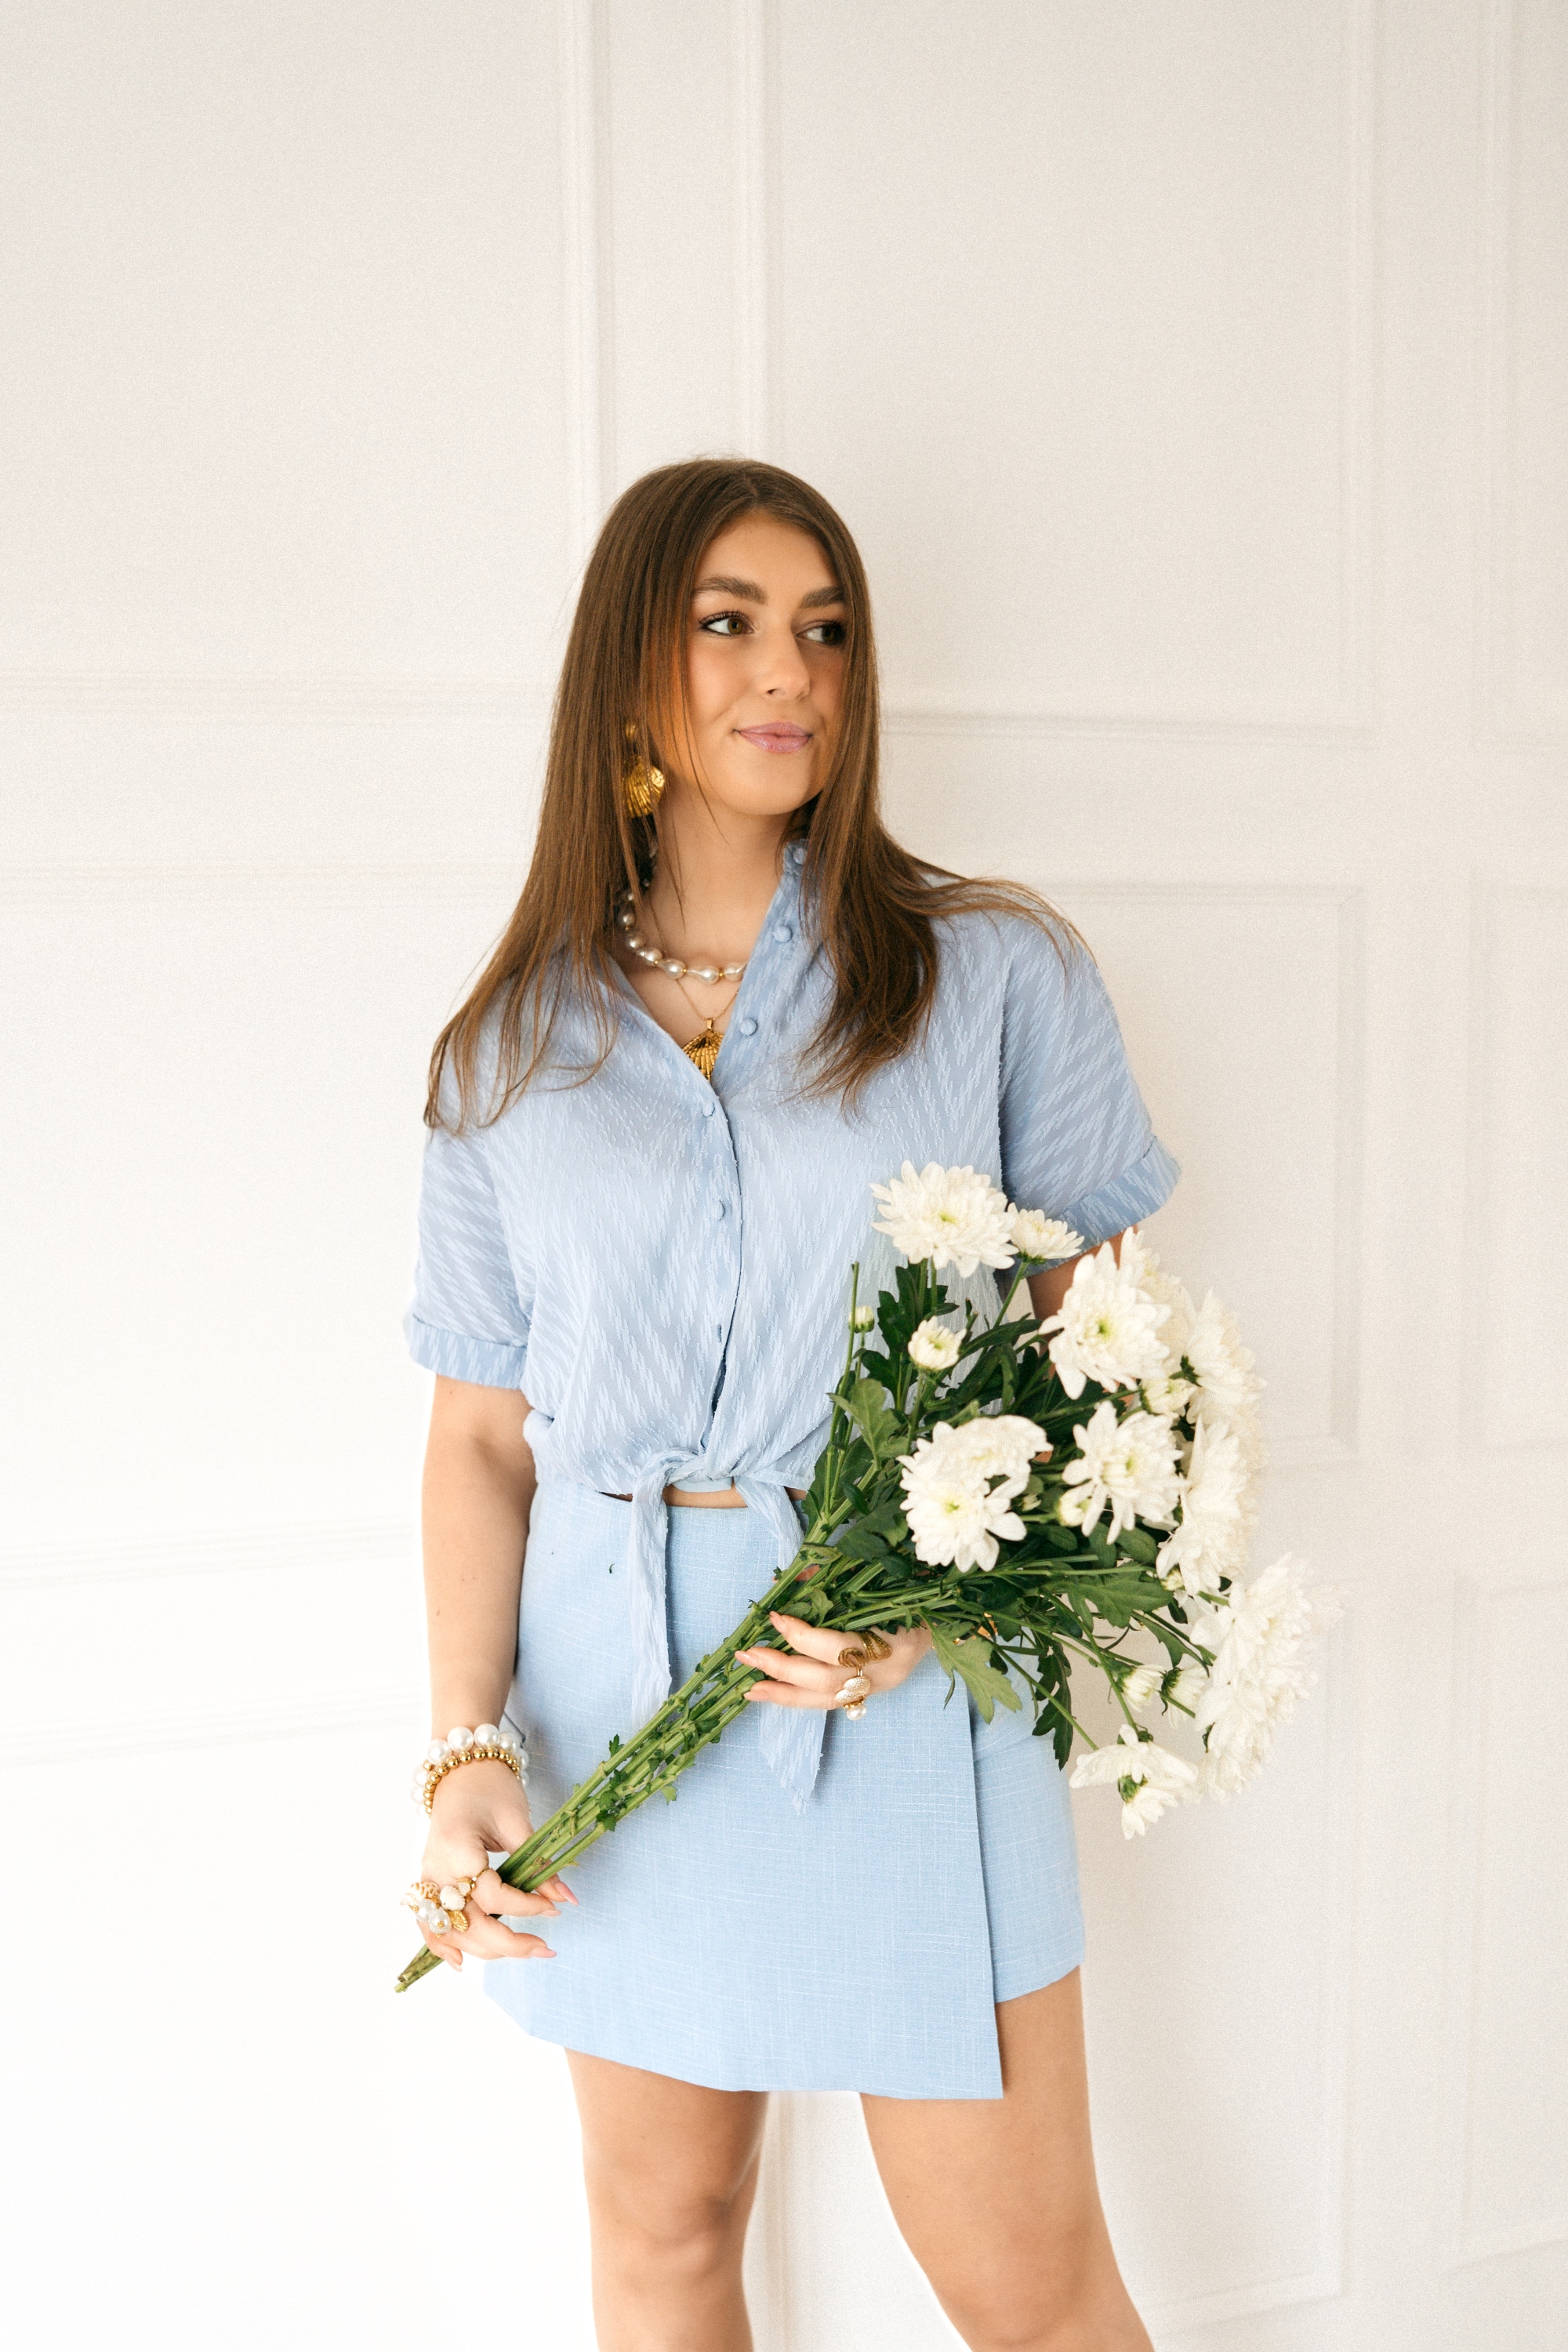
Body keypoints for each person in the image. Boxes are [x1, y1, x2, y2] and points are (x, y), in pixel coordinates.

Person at [402, 456, 1176, 2352]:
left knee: (1027, 2284)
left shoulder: (992, 978)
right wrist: (465, 1750)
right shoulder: (505, 1050)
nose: (791, 672)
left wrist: (943, 1599)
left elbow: (1111, 1366)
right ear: (628, 673)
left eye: (824, 630)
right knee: (665, 2241)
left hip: (912, 1702)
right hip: (614, 1709)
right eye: (729, 623)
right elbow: (483, 1440)